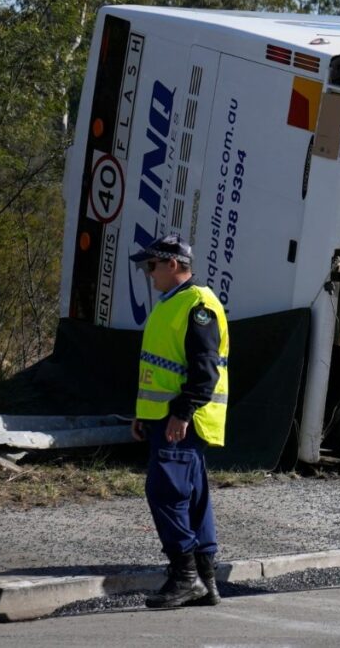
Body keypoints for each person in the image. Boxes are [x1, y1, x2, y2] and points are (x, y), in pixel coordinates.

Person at [130, 234, 229, 609]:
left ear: (173, 265)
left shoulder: (197, 306)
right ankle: (205, 579)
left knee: (166, 493)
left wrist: (182, 412)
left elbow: (205, 371)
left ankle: (185, 576)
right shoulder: (174, 303)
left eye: (152, 265)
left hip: (183, 420)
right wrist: (145, 413)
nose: (148, 273)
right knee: (193, 499)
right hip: (166, 417)